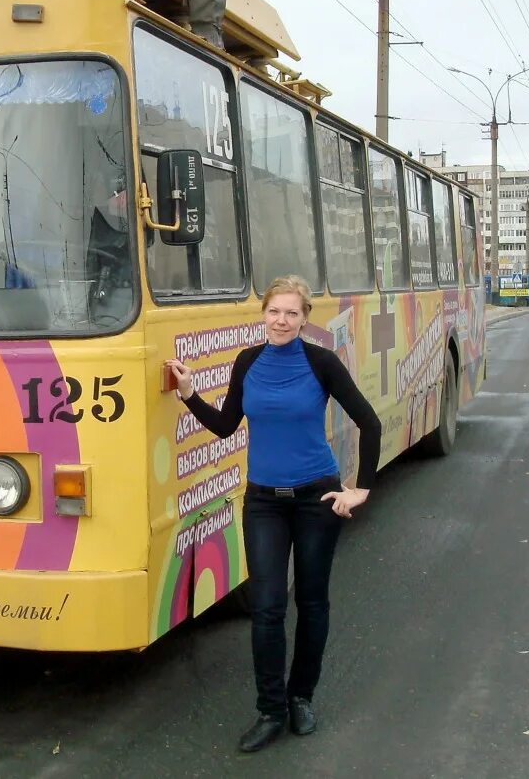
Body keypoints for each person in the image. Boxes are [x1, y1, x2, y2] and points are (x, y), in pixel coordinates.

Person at [165, 275, 381, 754]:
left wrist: (360, 487)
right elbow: (225, 426)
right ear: (263, 315)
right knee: (265, 608)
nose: (281, 321)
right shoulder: (249, 362)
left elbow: (368, 421)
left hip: (316, 498)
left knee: (312, 601)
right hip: (263, 501)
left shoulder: (321, 363)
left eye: (291, 313)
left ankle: (300, 697)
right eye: (273, 312)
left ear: (305, 318)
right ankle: (271, 710)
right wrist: (188, 393)